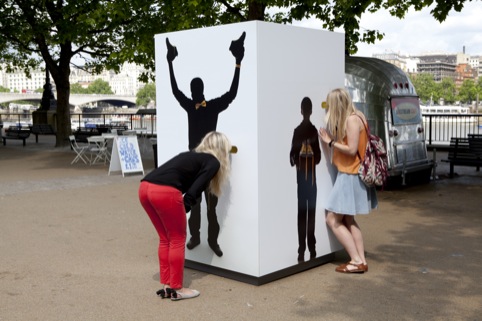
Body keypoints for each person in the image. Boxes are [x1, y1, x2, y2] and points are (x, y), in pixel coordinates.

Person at [165, 32, 245, 257]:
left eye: (195, 89)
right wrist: (237, 63)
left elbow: (231, 94)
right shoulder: (197, 106)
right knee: (197, 203)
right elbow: (231, 94)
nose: (194, 92)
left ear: (197, 90)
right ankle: (198, 237)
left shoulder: (202, 106)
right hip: (199, 162)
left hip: (207, 162)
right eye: (193, 89)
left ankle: (209, 240)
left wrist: (238, 64)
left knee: (209, 204)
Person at [138, 131, 232, 300]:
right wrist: (186, 206)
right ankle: (177, 288)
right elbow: (196, 189)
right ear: (222, 149)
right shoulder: (212, 161)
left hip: (145, 188)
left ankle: (167, 285)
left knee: (165, 238)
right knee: (177, 239)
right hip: (165, 192)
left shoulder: (191, 155)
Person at [318, 88, 377, 273]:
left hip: (349, 175)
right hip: (355, 174)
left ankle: (356, 260)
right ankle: (361, 261)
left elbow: (351, 149)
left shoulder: (351, 120)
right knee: (349, 220)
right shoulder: (359, 116)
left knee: (332, 219)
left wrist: (329, 142)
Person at [289, 97, 321, 262]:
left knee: (302, 214)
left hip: (302, 181)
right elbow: (319, 158)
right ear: (311, 110)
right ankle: (311, 249)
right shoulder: (314, 131)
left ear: (302, 110)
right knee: (311, 214)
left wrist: (299, 156)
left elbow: (291, 157)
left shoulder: (297, 131)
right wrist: (309, 154)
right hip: (311, 181)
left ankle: (302, 250)